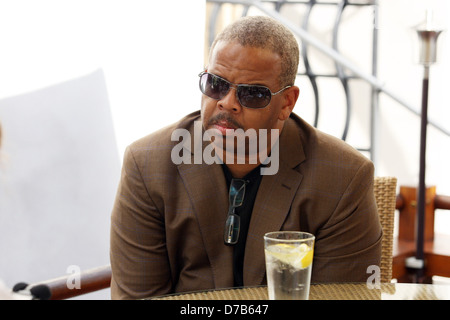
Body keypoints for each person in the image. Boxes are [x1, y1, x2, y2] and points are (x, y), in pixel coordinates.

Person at [110, 15, 382, 299]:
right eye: (216, 84)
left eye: (252, 94)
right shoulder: (147, 165)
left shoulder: (343, 177)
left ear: (286, 102)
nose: (227, 102)